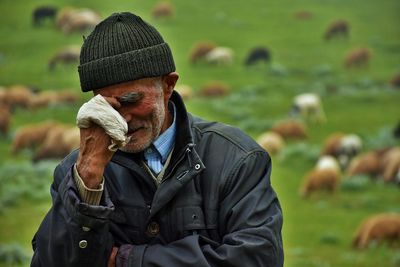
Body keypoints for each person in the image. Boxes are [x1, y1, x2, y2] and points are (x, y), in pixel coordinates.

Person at [31, 12, 284, 267]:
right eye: (107, 105)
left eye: (132, 100)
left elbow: (259, 258)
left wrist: (128, 261)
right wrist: (87, 184)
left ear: (168, 85)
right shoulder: (76, 173)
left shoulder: (236, 159)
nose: (123, 118)